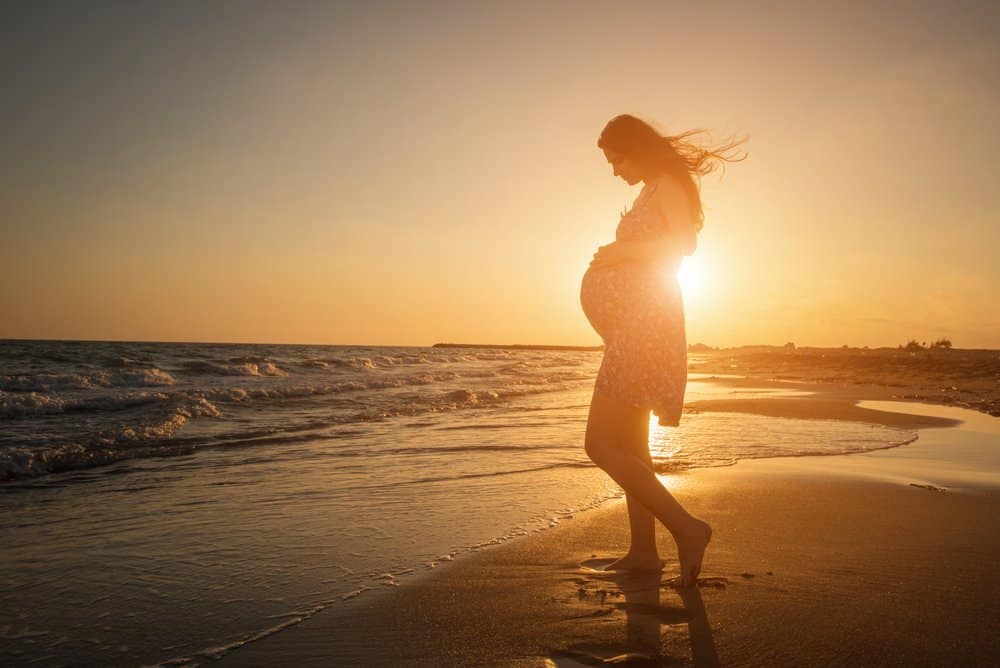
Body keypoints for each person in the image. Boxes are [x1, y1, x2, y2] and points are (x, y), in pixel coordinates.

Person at [579, 114, 747, 587]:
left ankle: (688, 530)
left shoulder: (668, 182)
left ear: (637, 149)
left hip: (645, 327)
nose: (614, 170)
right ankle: (643, 553)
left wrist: (619, 253)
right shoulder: (649, 188)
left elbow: (685, 244)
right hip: (635, 326)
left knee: (599, 444)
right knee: (632, 446)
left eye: (617, 159)